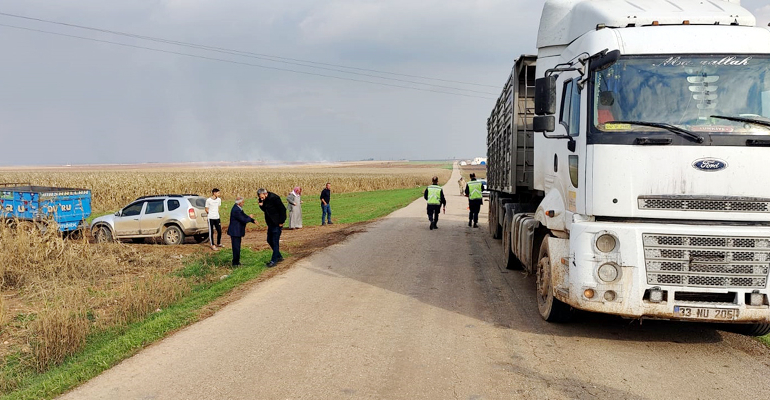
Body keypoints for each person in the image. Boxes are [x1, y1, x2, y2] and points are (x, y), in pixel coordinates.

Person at [258, 188, 287, 268]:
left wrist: (281, 221)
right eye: (260, 197)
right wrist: (261, 206)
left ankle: (273, 261)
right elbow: (266, 210)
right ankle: (279, 256)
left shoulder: (275, 198)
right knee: (269, 240)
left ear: (265, 193)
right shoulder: (263, 199)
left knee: (275, 241)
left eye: (261, 196)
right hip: (270, 223)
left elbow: (283, 209)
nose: (261, 198)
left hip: (277, 223)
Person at [226, 196, 255, 266]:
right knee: (236, 248)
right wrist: (250, 217)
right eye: (243, 202)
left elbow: (244, 216)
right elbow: (244, 219)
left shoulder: (238, 208)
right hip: (235, 232)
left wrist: (252, 220)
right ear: (239, 203)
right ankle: (235, 263)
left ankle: (237, 262)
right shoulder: (236, 210)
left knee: (237, 247)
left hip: (237, 231)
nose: (243, 203)